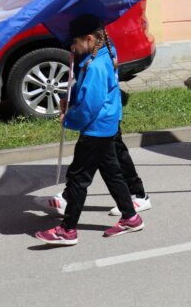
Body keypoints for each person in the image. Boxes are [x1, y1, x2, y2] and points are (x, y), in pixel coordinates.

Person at [33, 14, 144, 246]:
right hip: (108, 123)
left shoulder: (95, 66)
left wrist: (68, 118)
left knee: (78, 178)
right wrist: (68, 98)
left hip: (96, 127)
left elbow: (90, 104)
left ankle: (67, 230)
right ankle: (130, 217)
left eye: (75, 43)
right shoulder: (105, 49)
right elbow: (85, 91)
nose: (72, 48)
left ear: (90, 38)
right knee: (112, 172)